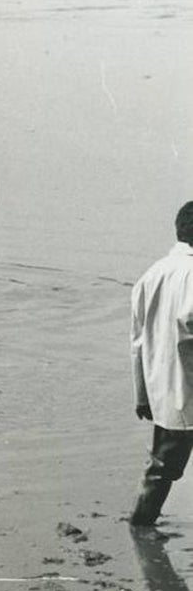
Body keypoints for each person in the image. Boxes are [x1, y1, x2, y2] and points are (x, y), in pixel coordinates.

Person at [128, 201, 193, 527]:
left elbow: (137, 342)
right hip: (188, 386)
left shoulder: (152, 274)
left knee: (161, 469)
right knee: (163, 467)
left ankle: (141, 527)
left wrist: (142, 394)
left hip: (165, 390)